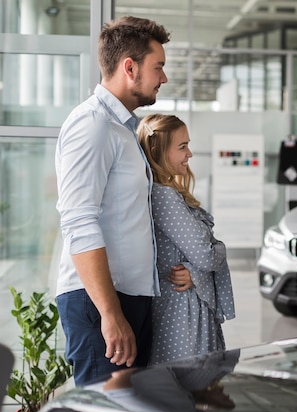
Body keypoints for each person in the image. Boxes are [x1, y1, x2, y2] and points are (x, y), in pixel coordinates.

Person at [55, 16, 181, 385]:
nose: (163, 77)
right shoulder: (92, 125)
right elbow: (79, 222)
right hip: (103, 302)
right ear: (130, 67)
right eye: (158, 67)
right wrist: (110, 314)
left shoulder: (123, 130)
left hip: (128, 298)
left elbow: (128, 221)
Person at [137, 114, 235, 365]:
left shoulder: (163, 193)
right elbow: (207, 255)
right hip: (183, 315)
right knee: (191, 388)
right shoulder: (165, 197)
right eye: (182, 147)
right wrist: (220, 248)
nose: (189, 154)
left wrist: (195, 273)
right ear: (159, 151)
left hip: (182, 311)